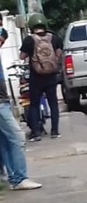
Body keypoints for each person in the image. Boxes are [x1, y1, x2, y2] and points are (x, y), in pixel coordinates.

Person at [0, 27, 42, 190]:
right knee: (17, 137)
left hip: (3, 100)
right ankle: (19, 177)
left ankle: (13, 177)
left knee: (5, 141)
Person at [20, 13, 63, 142]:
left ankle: (36, 133)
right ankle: (55, 131)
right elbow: (58, 54)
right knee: (53, 104)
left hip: (36, 77)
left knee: (34, 105)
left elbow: (22, 56)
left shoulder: (29, 39)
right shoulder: (54, 38)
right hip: (51, 77)